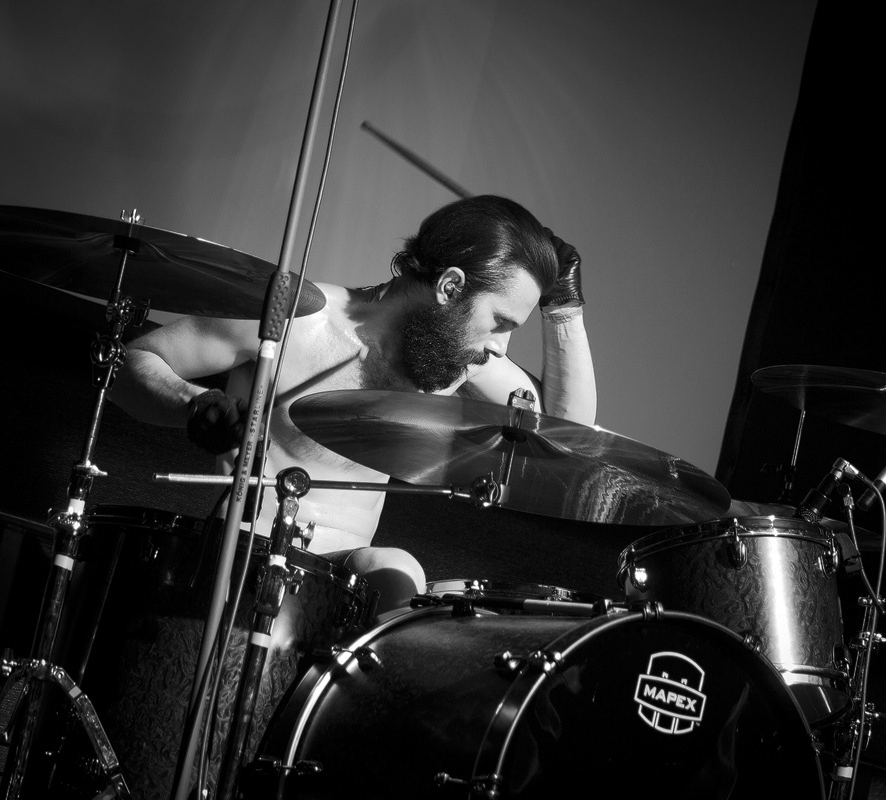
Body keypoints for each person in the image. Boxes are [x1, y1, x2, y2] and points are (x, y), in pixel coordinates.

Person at [107, 194, 596, 613]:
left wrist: (564, 310)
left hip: (341, 583)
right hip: (241, 557)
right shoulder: (297, 320)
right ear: (450, 287)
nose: (501, 349)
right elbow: (132, 362)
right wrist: (193, 403)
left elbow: (568, 436)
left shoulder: (457, 359)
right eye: (501, 322)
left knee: (399, 571)